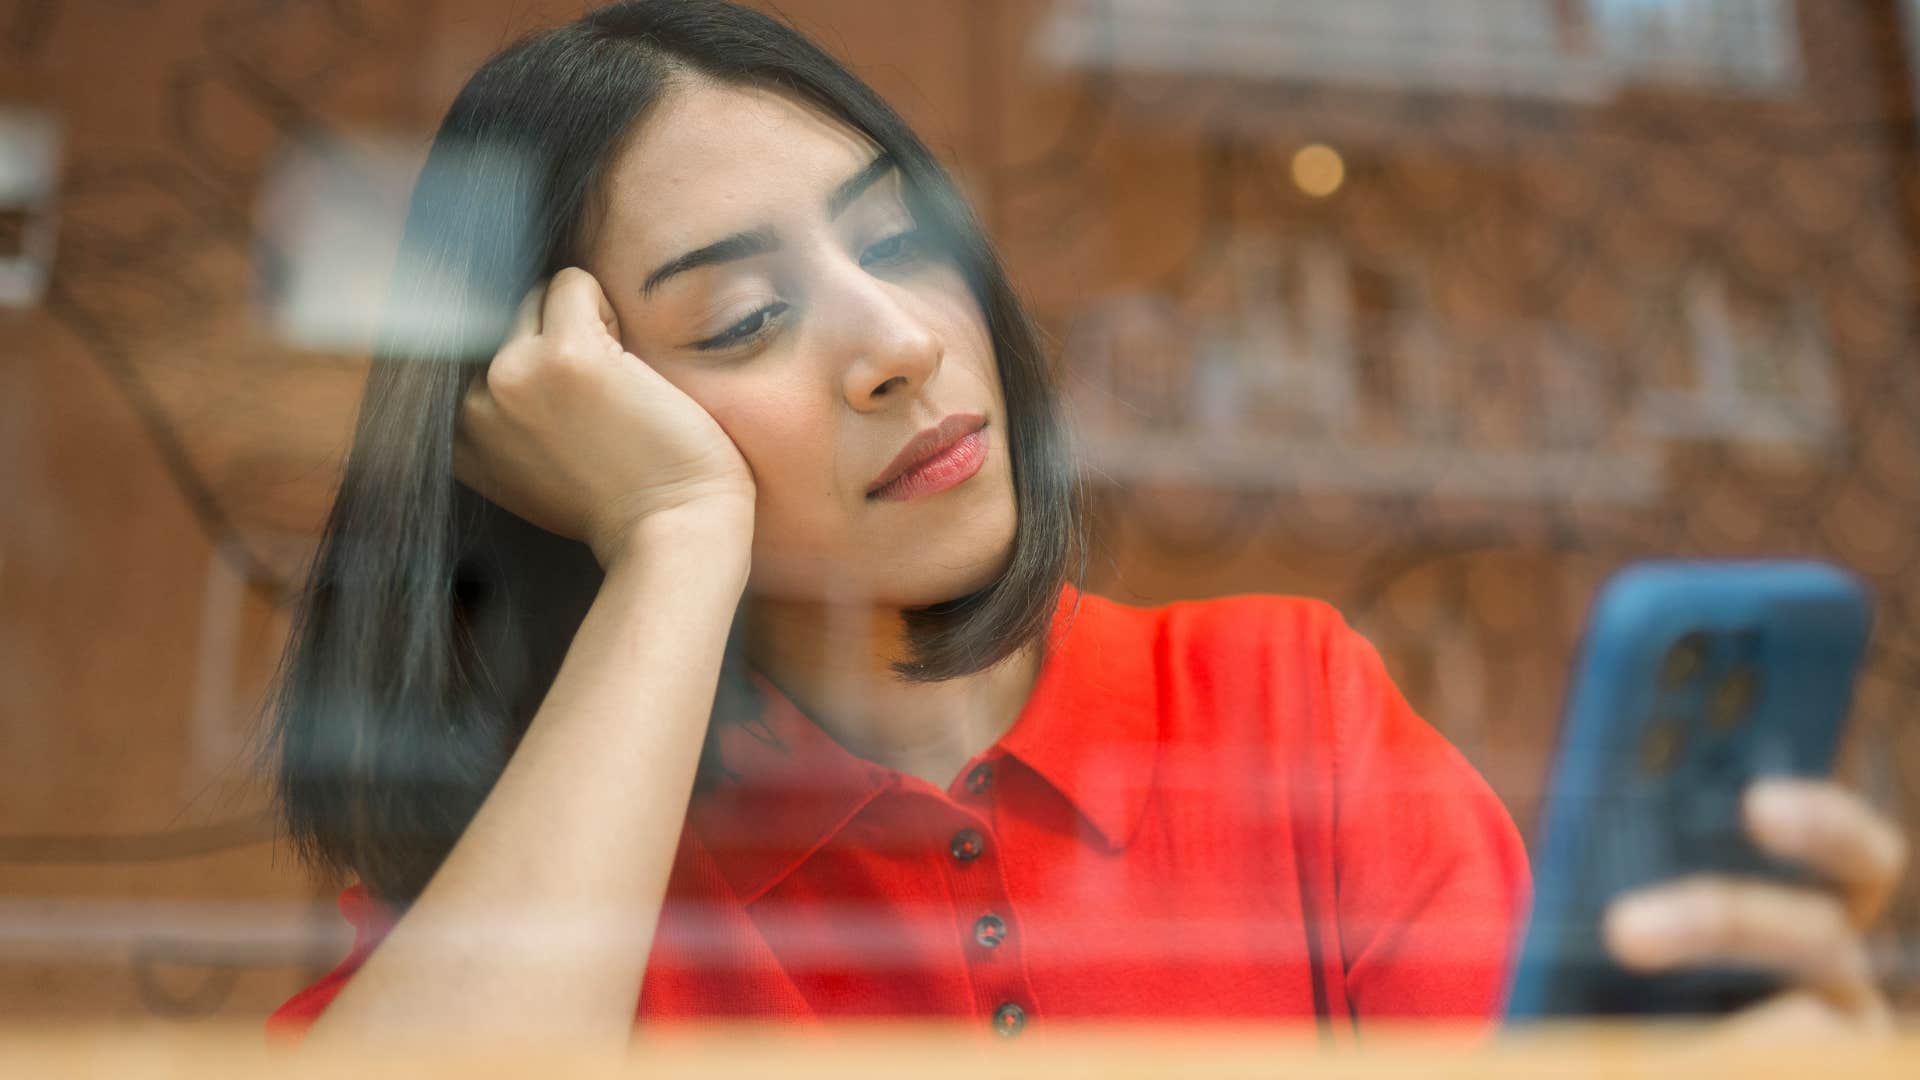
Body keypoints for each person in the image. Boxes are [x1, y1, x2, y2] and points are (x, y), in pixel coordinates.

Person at [261, 0, 1907, 1055]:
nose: (900, 340)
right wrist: (677, 535)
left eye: (895, 240)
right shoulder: (560, 862)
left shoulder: (1277, 703)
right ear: (580, 421)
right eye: (746, 318)